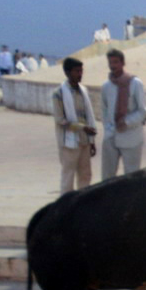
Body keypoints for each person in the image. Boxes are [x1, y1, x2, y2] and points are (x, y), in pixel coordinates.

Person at [100, 49, 146, 179]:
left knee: (131, 177)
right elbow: (104, 111)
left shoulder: (135, 83)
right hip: (111, 136)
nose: (113, 65)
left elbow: (142, 111)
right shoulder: (106, 86)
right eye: (110, 62)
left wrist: (126, 122)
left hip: (131, 137)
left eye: (116, 62)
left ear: (123, 63)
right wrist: (108, 129)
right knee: (107, 177)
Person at [52, 57, 97, 194]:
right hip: (69, 143)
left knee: (85, 175)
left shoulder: (84, 91)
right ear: (67, 72)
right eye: (77, 71)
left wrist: (92, 142)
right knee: (68, 177)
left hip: (84, 141)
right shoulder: (59, 94)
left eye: (81, 71)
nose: (80, 74)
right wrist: (82, 128)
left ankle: (82, 204)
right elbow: (60, 120)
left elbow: (88, 116)